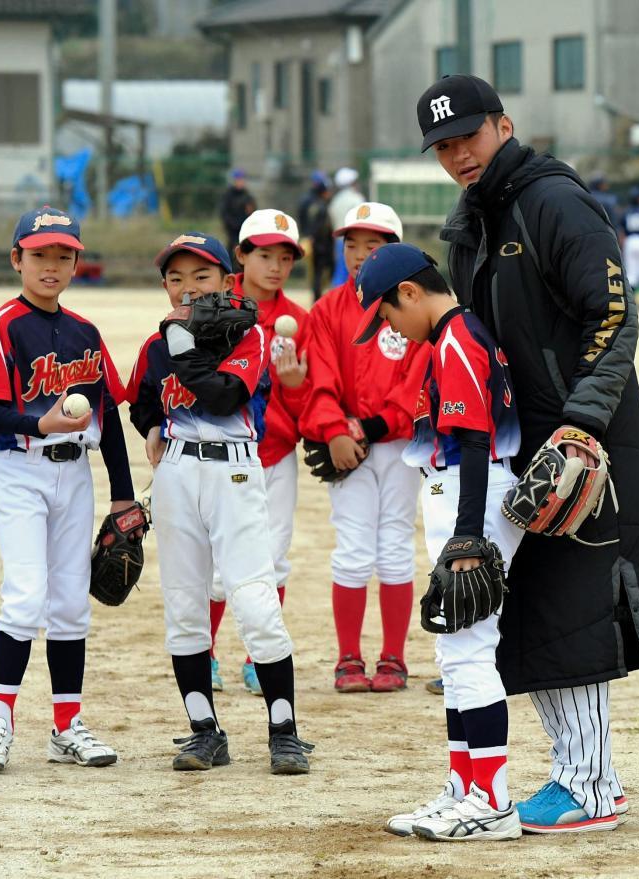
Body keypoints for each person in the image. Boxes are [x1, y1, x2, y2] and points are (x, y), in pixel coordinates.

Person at [418, 73, 639, 833]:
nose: (458, 155)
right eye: (443, 146)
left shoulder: (553, 201)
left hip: (580, 443)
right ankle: (580, 772)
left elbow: (611, 315)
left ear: (503, 126)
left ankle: (591, 783)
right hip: (521, 446)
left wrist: (580, 425)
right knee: (535, 611)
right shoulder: (468, 222)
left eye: (468, 137)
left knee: (573, 609)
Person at [352, 243, 524, 841]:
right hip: (454, 487)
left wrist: (470, 535)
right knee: (454, 653)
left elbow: (475, 443)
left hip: (468, 491)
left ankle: (494, 800)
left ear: (409, 293)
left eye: (387, 315)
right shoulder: (456, 335)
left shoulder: (456, 340)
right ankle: (464, 785)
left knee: (471, 650)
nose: (389, 329)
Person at [126, 232, 312, 773]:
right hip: (177, 470)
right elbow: (140, 401)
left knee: (254, 599)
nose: (187, 288)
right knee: (184, 608)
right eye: (176, 278)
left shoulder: (247, 335)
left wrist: (182, 344)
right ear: (164, 286)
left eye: (201, 276)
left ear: (227, 283)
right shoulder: (154, 345)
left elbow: (225, 396)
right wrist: (153, 428)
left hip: (232, 468)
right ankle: (204, 731)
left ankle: (285, 732)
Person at [0, 206, 136, 772]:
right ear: (17, 258)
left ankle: (66, 727)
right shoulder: (2, 326)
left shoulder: (85, 331)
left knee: (69, 605)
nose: (51, 265)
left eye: (63, 255)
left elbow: (108, 417)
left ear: (75, 264)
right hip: (21, 471)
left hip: (76, 475)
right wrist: (39, 424)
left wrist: (122, 493)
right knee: (25, 596)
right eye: (39, 254)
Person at [299, 202, 429, 693]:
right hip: (346, 447)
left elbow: (415, 384)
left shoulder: (410, 307)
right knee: (352, 549)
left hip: (397, 446)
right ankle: (348, 656)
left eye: (372, 247)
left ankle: (393, 657)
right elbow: (321, 380)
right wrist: (333, 430)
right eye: (351, 245)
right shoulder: (330, 309)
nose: (358, 255)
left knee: (395, 545)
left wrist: (369, 428)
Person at [206, 210, 311, 695]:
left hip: (276, 453)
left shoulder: (299, 320)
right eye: (264, 254)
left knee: (273, 557)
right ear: (241, 255)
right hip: (223, 451)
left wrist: (293, 385)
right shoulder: (214, 308)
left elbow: (306, 399)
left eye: (285, 257)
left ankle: (256, 657)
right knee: (214, 565)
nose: (275, 266)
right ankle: (204, 654)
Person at [297, 172, 335, 301]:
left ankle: (317, 297)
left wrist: (306, 235)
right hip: (320, 243)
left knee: (315, 272)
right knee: (319, 272)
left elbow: (302, 220)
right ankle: (318, 298)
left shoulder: (306, 200)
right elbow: (320, 226)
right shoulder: (318, 203)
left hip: (312, 241)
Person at [328, 167, 366, 287]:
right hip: (357, 240)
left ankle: (337, 298)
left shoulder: (335, 200)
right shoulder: (356, 199)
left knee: (340, 271)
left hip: (339, 240)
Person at [220, 169, 256, 256]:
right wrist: (231, 224)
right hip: (232, 229)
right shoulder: (228, 195)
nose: (240, 182)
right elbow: (224, 212)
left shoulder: (247, 196)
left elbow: (252, 211)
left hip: (245, 229)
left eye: (242, 179)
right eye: (238, 180)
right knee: (232, 250)